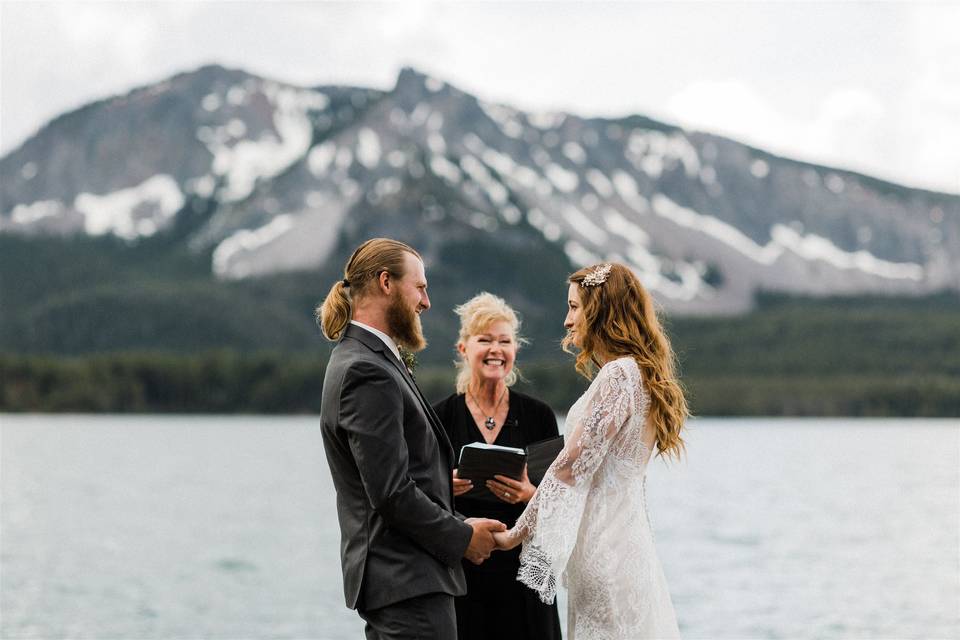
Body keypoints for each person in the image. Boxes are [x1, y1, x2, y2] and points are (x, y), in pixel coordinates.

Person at [317, 238, 506, 640]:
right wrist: (462, 537)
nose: (426, 301)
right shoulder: (366, 370)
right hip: (406, 584)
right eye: (420, 287)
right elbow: (390, 492)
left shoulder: (371, 359)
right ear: (386, 282)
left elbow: (405, 478)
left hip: (409, 581)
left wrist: (458, 518)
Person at [494, 262, 688, 639]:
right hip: (629, 546)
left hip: (606, 553)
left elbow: (570, 468)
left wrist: (514, 535)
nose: (567, 321)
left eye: (574, 307)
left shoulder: (618, 375)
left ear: (601, 310)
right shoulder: (642, 374)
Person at [432, 292, 563, 640]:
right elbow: (420, 496)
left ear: (515, 350)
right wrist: (444, 485)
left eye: (504, 341)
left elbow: (560, 498)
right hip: (464, 569)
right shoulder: (440, 417)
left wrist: (529, 493)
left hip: (525, 572)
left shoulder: (539, 416)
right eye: (485, 340)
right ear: (463, 349)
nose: (496, 350)